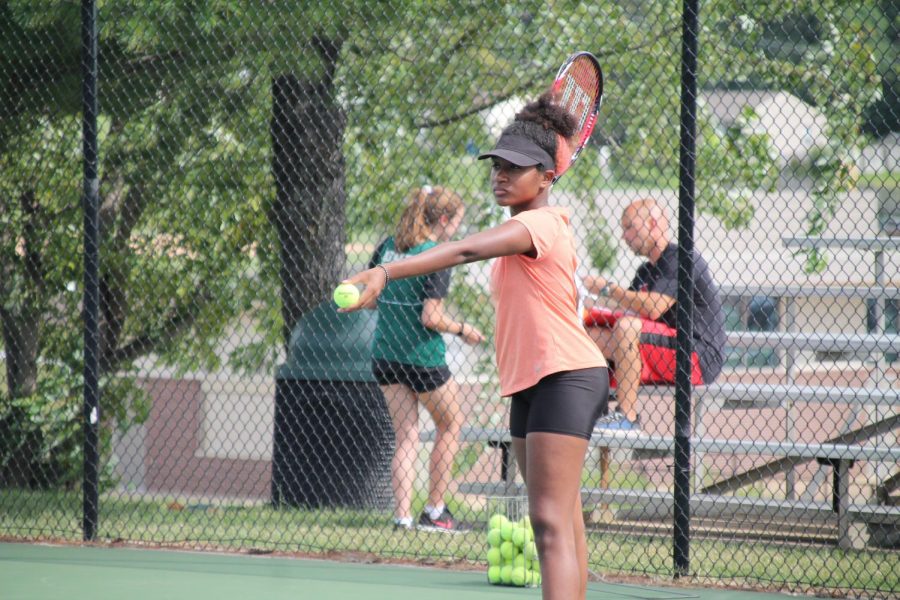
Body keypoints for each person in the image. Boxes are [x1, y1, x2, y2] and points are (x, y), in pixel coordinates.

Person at [341, 93, 608, 600]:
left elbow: (463, 249)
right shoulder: (522, 226)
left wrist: (384, 270)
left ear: (548, 175)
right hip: (535, 383)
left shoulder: (540, 224)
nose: (501, 175)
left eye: (517, 167)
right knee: (562, 520)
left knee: (549, 522)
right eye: (498, 165)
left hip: (567, 377)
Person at [368, 186, 486, 532]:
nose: (457, 232)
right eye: (457, 224)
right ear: (445, 220)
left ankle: (402, 518)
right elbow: (430, 317)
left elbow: (373, 299)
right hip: (422, 358)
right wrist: (463, 328)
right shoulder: (439, 254)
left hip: (385, 355)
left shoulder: (387, 247)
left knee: (406, 437)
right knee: (451, 424)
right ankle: (435, 512)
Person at [583, 198, 725, 436]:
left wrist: (608, 288)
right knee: (588, 334)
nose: (624, 236)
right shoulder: (644, 272)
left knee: (627, 327)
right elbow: (626, 308)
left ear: (652, 223)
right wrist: (586, 302)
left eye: (629, 227)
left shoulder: (681, 258)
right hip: (664, 348)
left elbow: (653, 308)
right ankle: (597, 410)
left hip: (697, 355)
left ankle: (627, 418)